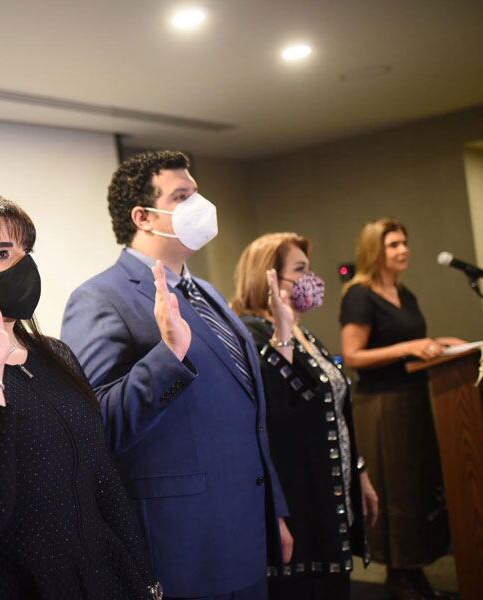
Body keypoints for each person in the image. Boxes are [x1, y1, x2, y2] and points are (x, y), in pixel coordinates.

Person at [61, 151, 291, 600]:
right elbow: (97, 423)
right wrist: (169, 355)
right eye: (182, 196)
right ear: (143, 217)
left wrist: (274, 510)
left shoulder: (206, 291)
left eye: (196, 193)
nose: (199, 206)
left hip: (246, 528)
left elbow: (247, 414)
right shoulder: (99, 297)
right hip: (182, 544)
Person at [0, 191, 161, 600]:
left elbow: (102, 477)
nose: (22, 265)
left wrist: (145, 579)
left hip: (102, 579)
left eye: (25, 250)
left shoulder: (56, 354)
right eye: (1, 253)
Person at [231, 232, 379, 599]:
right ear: (268, 276)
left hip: (330, 486)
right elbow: (276, 409)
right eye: (300, 270)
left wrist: (358, 471)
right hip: (298, 496)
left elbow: (334, 409)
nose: (310, 279)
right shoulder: (250, 331)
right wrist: (282, 333)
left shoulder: (303, 332)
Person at [340, 218, 462, 600]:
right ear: (374, 250)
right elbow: (352, 355)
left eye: (404, 242)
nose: (403, 250)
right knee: (397, 490)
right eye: (393, 244)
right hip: (382, 405)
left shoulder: (404, 293)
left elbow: (410, 342)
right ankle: (398, 575)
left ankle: (414, 570)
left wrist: (436, 343)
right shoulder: (359, 295)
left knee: (418, 488)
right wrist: (409, 347)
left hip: (414, 398)